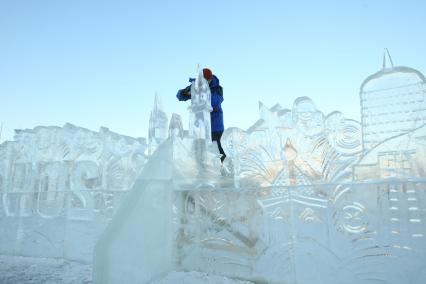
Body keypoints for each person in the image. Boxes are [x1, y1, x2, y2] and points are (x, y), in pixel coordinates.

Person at [176, 68, 226, 163]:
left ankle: (224, 170)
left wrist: (202, 95)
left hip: (216, 127)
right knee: (200, 151)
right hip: (200, 126)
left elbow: (216, 101)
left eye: (208, 80)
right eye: (204, 80)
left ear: (210, 79)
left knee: (219, 151)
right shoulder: (195, 86)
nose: (206, 82)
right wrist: (186, 91)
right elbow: (179, 96)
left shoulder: (217, 88)